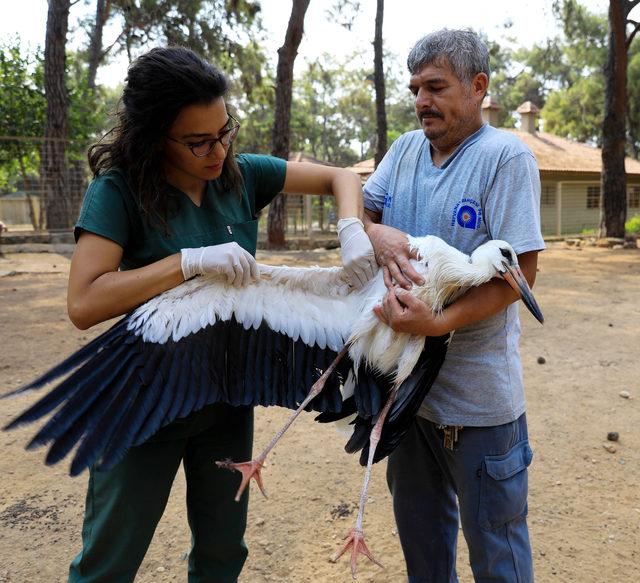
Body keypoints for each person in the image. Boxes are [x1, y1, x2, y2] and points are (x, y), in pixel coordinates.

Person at [66, 46, 377, 583]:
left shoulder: (239, 175)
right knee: (109, 561)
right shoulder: (118, 192)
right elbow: (84, 303)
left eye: (224, 131)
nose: (218, 151)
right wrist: (185, 263)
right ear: (153, 137)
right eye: (198, 142)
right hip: (146, 401)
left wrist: (351, 227)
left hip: (227, 400)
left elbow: (341, 177)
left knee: (221, 554)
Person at [362, 29, 545, 583]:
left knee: (498, 554)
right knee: (424, 550)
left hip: (478, 404)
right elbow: (362, 214)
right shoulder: (403, 151)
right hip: (408, 396)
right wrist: (375, 237)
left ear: (478, 87)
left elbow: (522, 274)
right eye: (416, 87)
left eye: (436, 86)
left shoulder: (505, 158)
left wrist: (436, 322)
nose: (421, 100)